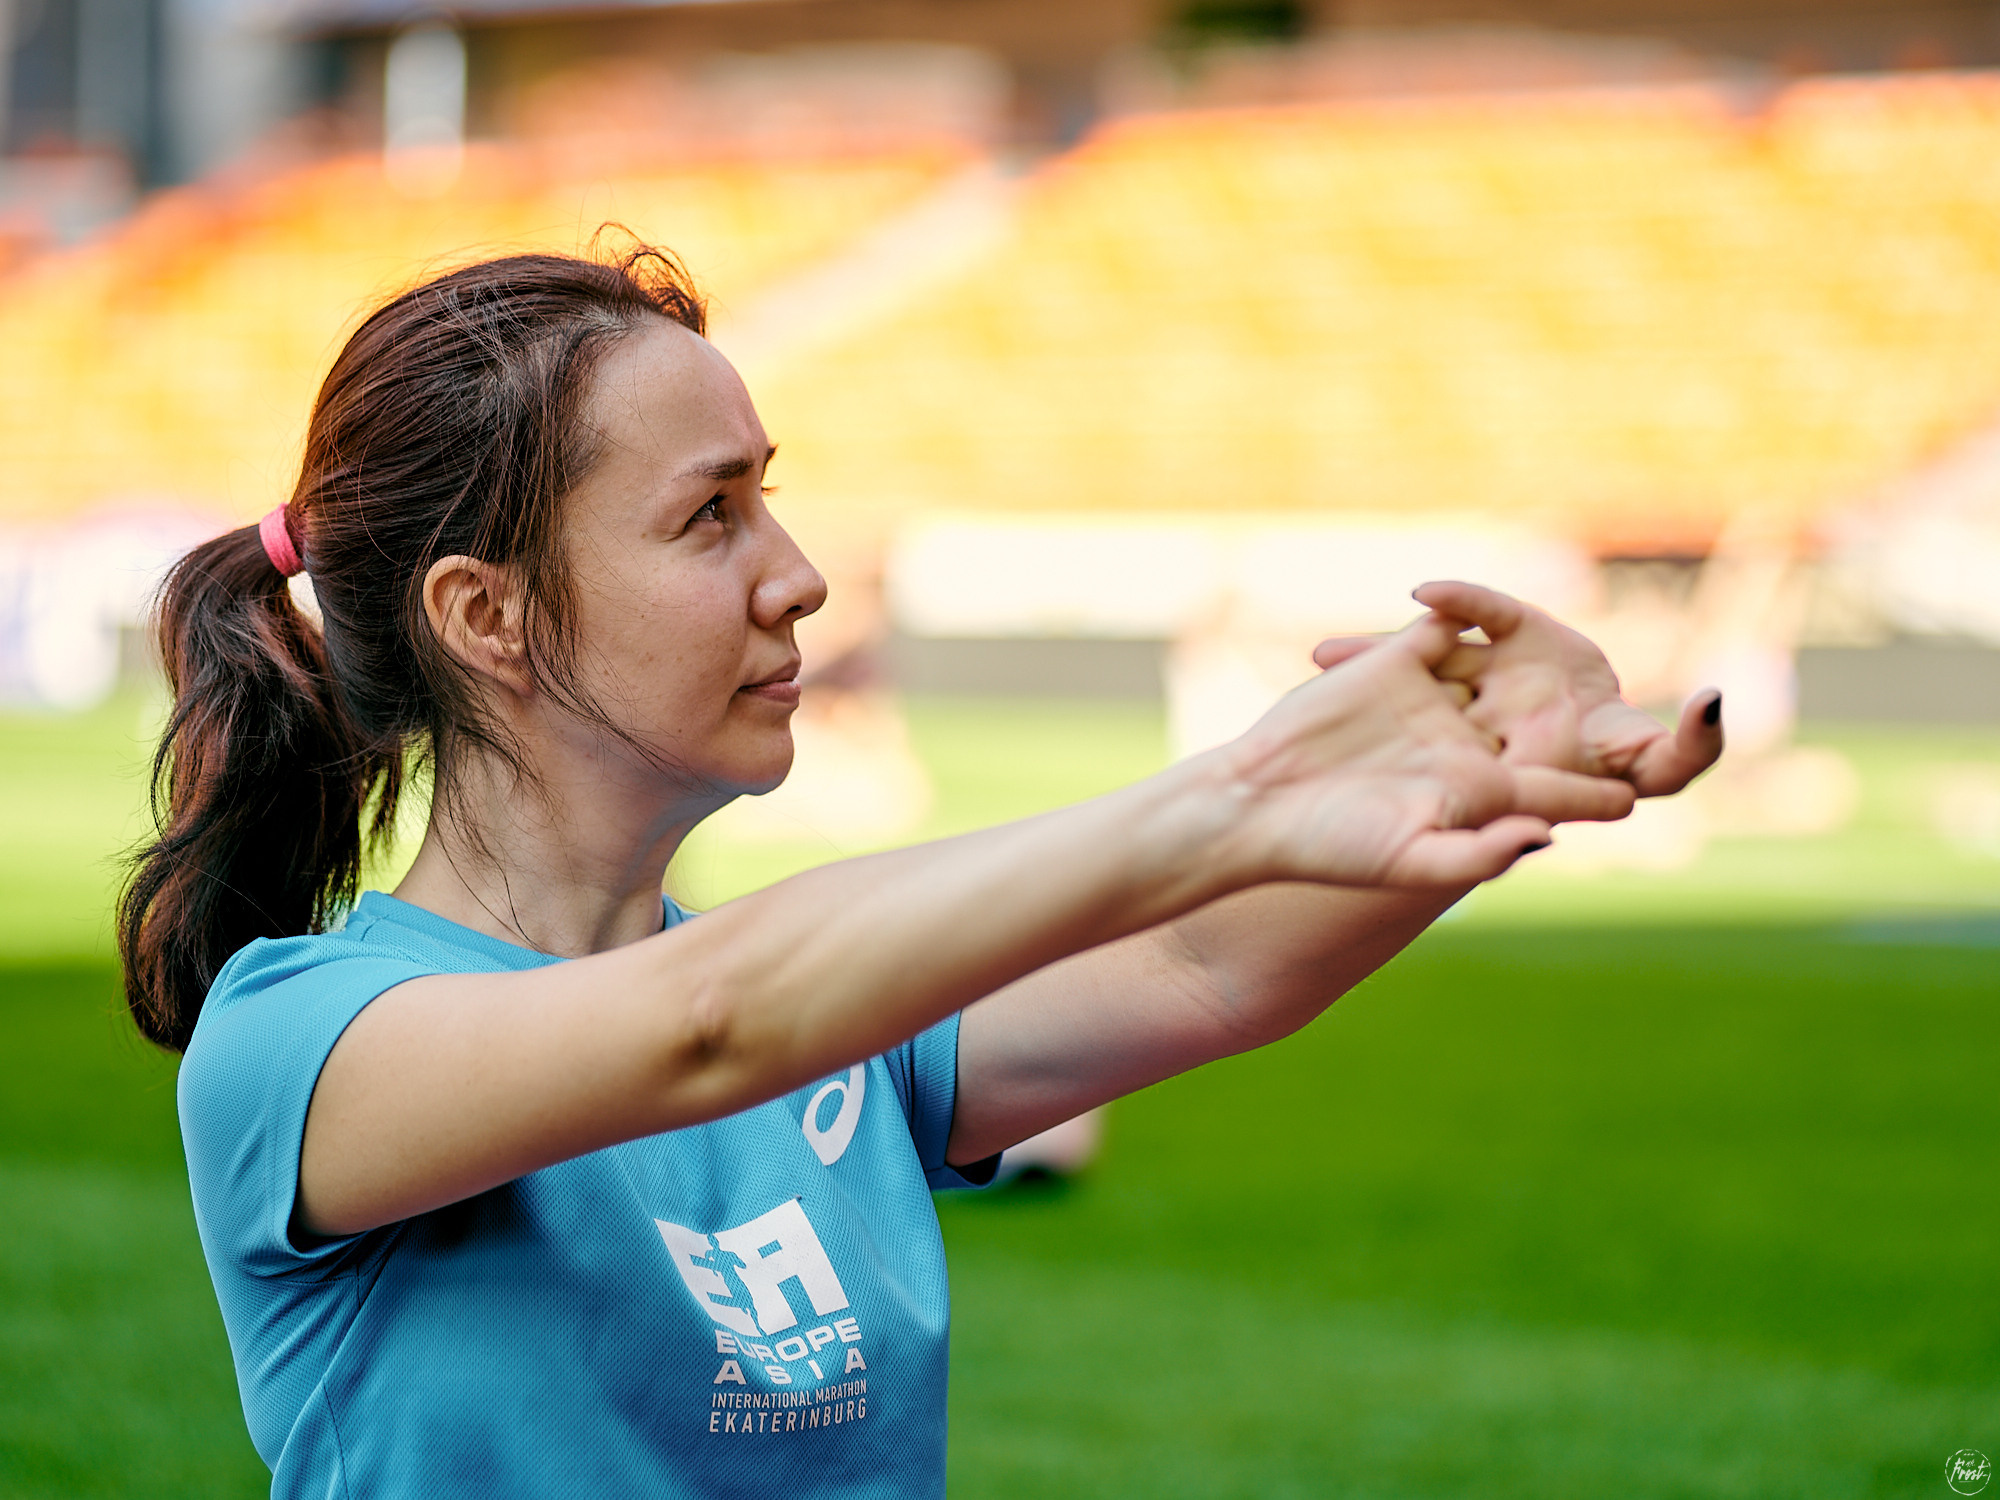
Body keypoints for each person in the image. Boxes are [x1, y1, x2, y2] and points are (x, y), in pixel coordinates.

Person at [119, 247, 1721, 1500]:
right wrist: (1249, 786)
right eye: (711, 517)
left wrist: (1487, 767)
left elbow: (1203, 967)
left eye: (771, 493)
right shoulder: (306, 1039)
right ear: (489, 616)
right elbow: (706, 1025)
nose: (799, 576)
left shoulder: (831, 1028)